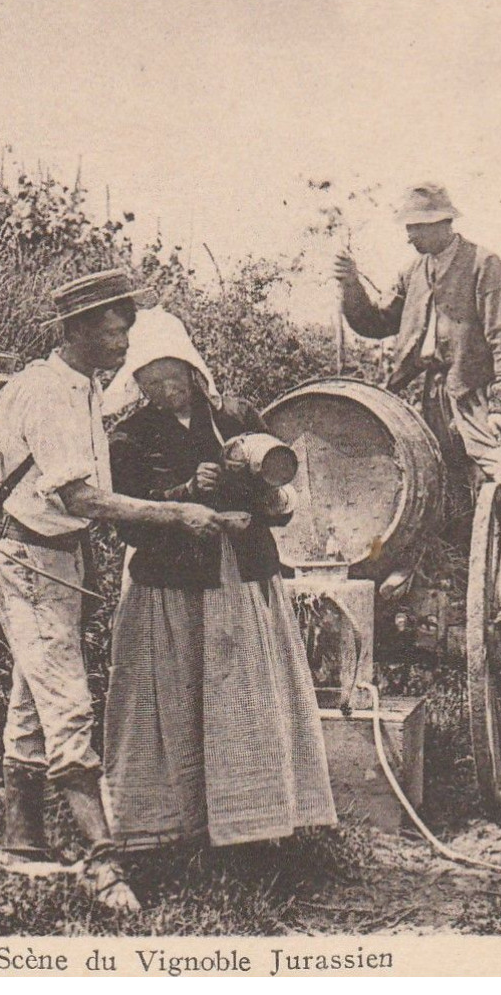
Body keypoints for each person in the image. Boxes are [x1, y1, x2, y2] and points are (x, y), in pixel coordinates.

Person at [0, 268, 223, 912]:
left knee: (32, 702)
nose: (125, 344)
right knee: (68, 705)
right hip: (30, 562)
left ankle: (21, 843)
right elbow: (81, 496)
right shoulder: (49, 396)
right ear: (81, 329)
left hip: (55, 559)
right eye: (117, 331)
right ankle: (103, 862)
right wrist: (176, 514)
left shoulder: (83, 386)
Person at [102, 308, 336, 849]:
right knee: (172, 700)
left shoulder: (234, 416)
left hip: (242, 578)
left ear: (193, 371)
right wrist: (184, 492)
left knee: (247, 699)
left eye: (172, 377)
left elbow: (281, 495)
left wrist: (257, 498)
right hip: (170, 588)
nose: (165, 391)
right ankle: (166, 831)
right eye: (150, 382)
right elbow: (126, 522)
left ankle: (257, 825)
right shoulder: (130, 438)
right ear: (136, 384)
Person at [335, 182, 501, 648]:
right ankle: (402, 586)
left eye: (416, 228)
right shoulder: (414, 272)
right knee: (399, 486)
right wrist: (349, 287)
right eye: (408, 228)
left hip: (471, 397)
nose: (408, 237)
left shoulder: (484, 265)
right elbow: (376, 323)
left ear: (442, 224)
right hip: (421, 400)